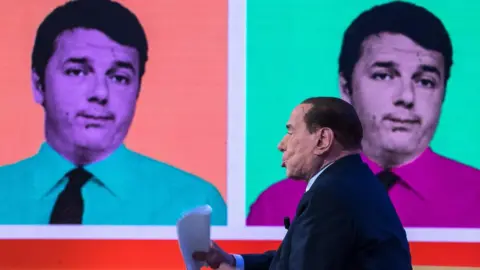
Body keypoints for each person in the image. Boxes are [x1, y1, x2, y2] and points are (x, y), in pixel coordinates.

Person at [247, 1, 480, 228]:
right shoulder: (277, 204)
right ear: (346, 87)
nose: (406, 97)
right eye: (384, 76)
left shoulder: (475, 198)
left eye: (426, 81)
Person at [0, 0, 226, 225]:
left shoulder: (196, 206)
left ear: (137, 90)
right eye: (77, 72)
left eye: (119, 78)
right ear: (38, 85)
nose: (100, 92)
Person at [193, 97, 412, 270]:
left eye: (290, 131)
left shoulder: (332, 195)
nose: (281, 144)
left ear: (323, 140)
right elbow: (292, 259)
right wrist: (233, 262)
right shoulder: (350, 182)